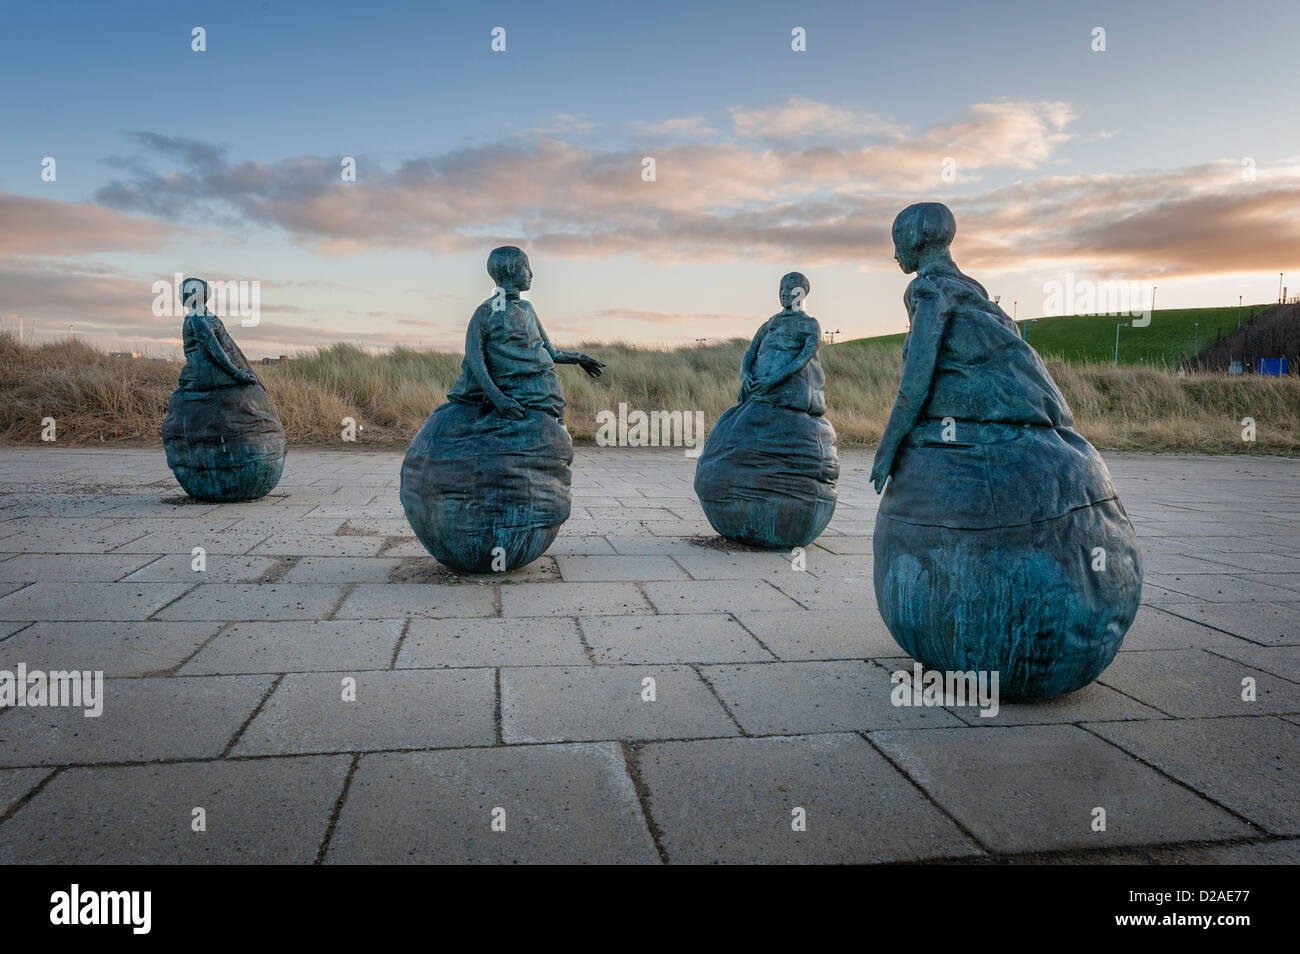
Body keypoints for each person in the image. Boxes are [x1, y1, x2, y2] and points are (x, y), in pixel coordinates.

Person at [446, 246, 603, 423]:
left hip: (545, 398)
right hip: (516, 397)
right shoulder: (486, 311)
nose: (532, 274)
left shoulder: (527, 309)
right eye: (526, 267)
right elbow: (475, 359)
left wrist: (580, 358)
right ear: (511, 269)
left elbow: (551, 352)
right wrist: (499, 400)